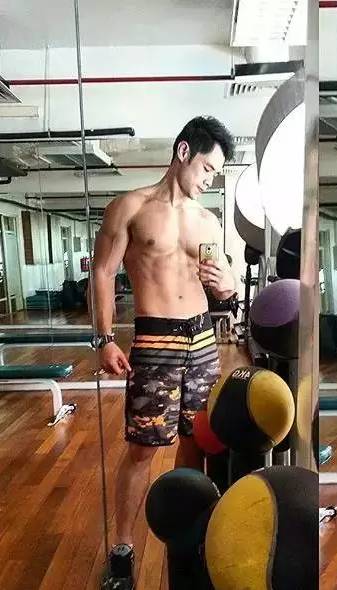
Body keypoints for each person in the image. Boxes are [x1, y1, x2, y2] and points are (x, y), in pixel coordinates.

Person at [93, 116, 236, 585]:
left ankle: (187, 533)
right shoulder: (129, 208)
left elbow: (224, 286)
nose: (210, 179)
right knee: (142, 449)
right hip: (156, 341)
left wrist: (229, 284)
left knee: (198, 440)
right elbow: (102, 272)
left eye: (216, 173)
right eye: (208, 169)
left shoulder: (208, 220)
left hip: (203, 341)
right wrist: (104, 338)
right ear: (183, 152)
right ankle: (122, 548)